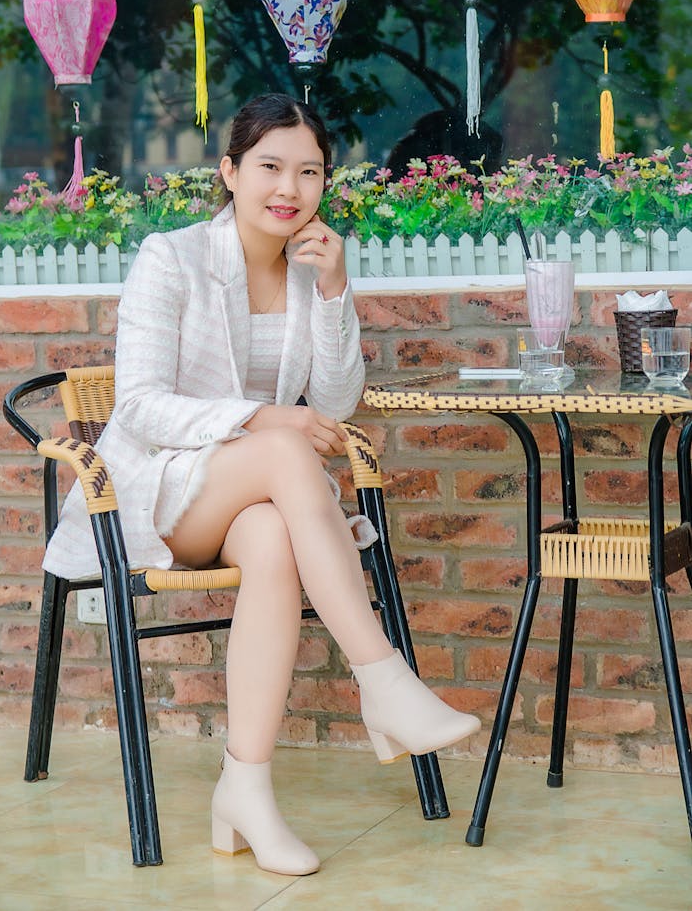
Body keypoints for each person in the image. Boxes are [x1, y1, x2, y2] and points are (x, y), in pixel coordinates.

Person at [43, 93, 481, 877]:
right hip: (159, 492)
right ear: (230, 171)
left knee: (277, 534)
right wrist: (268, 418)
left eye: (309, 171)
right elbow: (139, 405)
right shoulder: (169, 257)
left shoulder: (309, 268)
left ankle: (244, 787)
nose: (290, 187)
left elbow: (339, 402)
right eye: (271, 166)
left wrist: (337, 289)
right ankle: (381, 679)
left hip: (251, 500)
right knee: (287, 454)